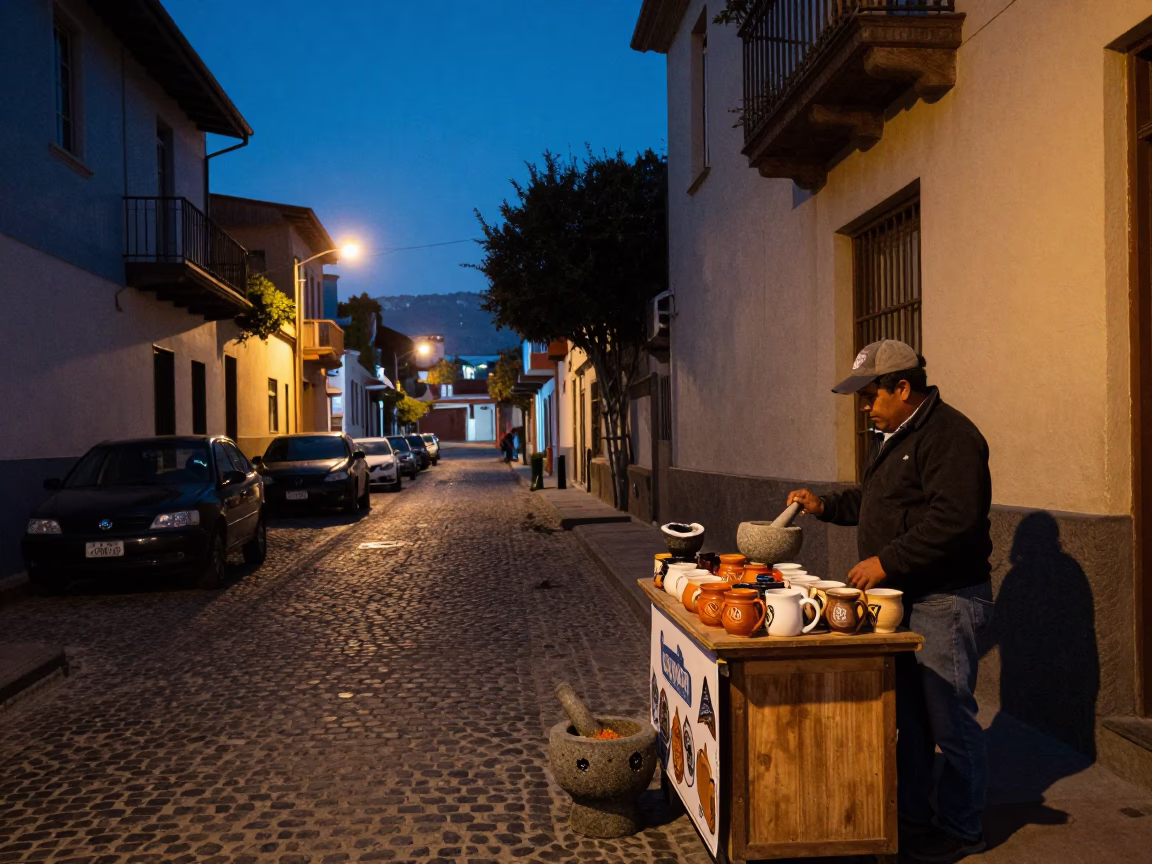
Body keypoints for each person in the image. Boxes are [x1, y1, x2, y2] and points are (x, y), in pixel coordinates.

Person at [788, 339, 994, 864]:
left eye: (870, 394)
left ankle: (963, 828)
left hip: (944, 600)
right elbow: (878, 502)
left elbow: (954, 520)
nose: (864, 405)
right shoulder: (893, 435)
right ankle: (913, 820)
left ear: (903, 388)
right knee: (912, 719)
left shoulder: (951, 436)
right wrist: (825, 504)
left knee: (950, 721)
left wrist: (887, 562)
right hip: (905, 599)